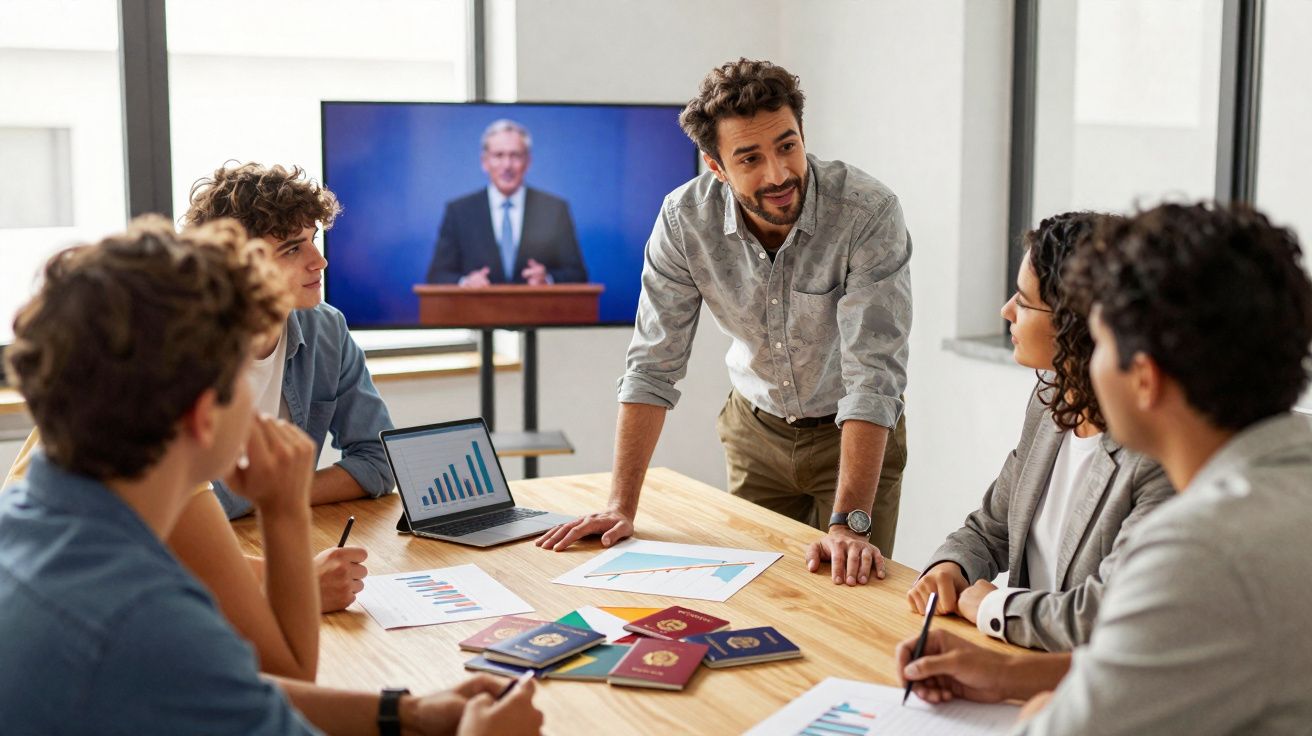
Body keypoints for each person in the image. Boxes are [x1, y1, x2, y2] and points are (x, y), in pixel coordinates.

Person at [0, 217, 543, 736]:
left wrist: (407, 714)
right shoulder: (145, 618)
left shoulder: (31, 516)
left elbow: (228, 691)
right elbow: (270, 678)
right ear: (202, 414)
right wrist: (283, 510)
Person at [896, 202, 1312, 734]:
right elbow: (1160, 666)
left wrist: (1039, 707)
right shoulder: (1285, 480)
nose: (1086, 361)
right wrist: (1008, 673)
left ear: (1144, 379)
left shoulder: (1196, 552)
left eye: (1100, 340)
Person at [537, 58, 911, 588]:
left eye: (787, 146)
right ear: (715, 166)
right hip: (754, 433)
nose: (778, 174)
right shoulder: (683, 220)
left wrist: (850, 523)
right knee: (751, 594)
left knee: (849, 596)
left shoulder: (867, 213)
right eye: (750, 158)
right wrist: (621, 507)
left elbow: (874, 376)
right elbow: (652, 366)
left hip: (852, 438)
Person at [906, 212, 1174, 652]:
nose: (1006, 310)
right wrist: (952, 566)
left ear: (1076, 325)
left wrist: (993, 607)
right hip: (1016, 661)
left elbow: (1107, 613)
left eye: (1025, 302)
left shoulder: (1154, 454)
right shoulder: (1051, 401)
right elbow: (993, 524)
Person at [182, 162, 395, 521]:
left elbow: (379, 461)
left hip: (273, 535)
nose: (321, 261)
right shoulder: (174, 348)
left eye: (313, 240)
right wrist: (275, 495)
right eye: (293, 250)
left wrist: (277, 494)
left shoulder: (325, 328)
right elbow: (177, 502)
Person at [425, 119, 587, 286]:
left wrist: (547, 279)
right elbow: (437, 275)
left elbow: (578, 274)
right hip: (477, 310)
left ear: (528, 162)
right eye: (498, 155)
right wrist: (466, 282)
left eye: (515, 155)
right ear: (484, 162)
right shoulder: (459, 212)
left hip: (537, 310)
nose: (507, 165)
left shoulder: (554, 210)